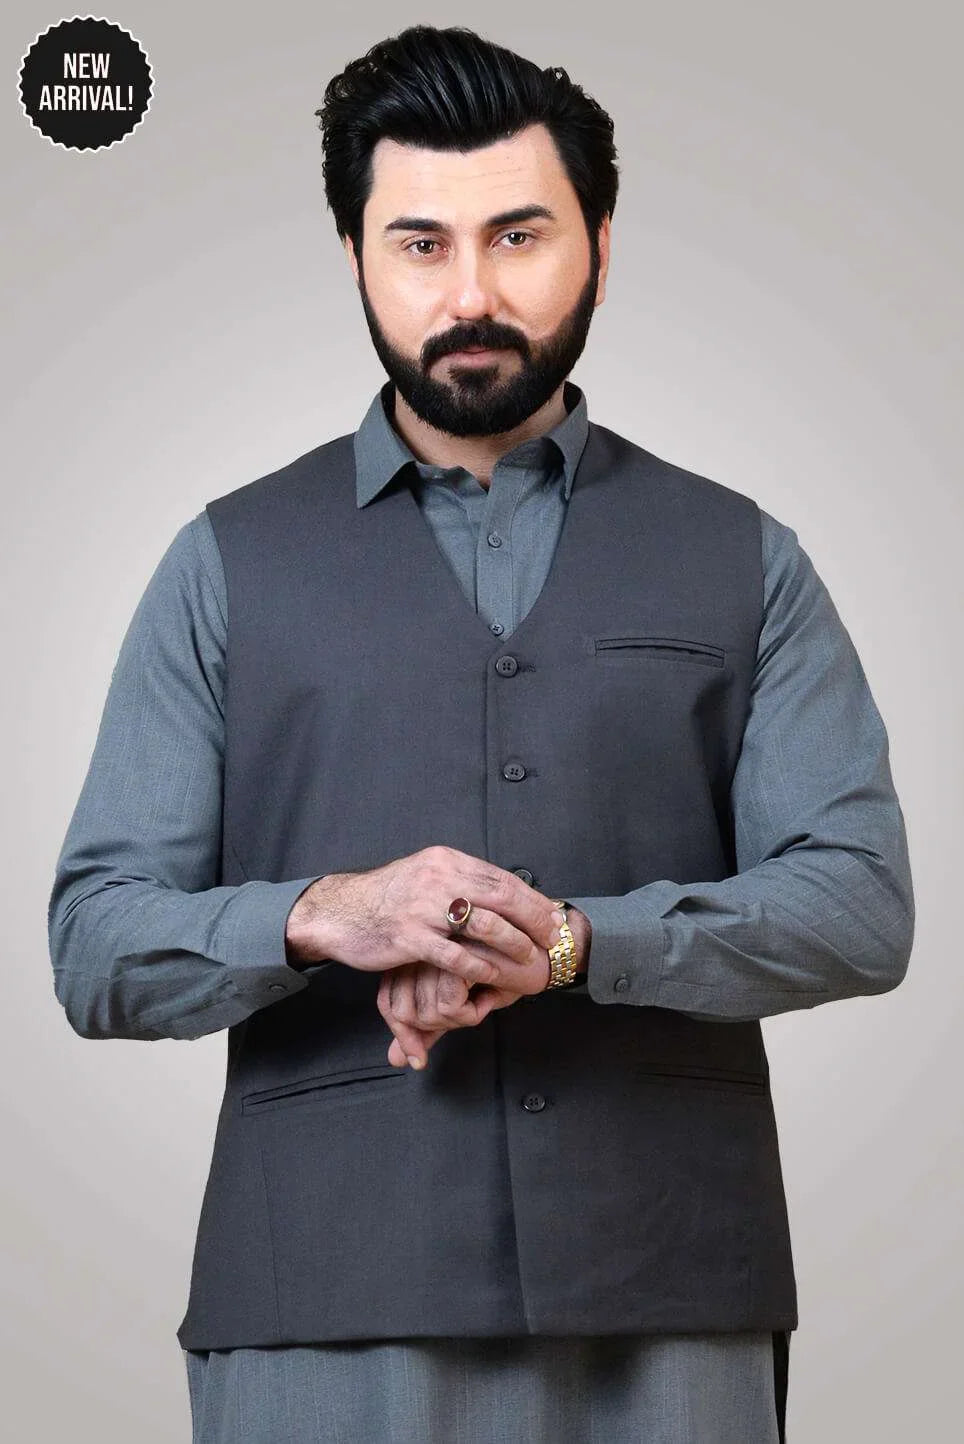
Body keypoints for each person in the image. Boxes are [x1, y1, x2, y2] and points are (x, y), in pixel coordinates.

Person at [47, 23, 915, 1444]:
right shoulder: (224, 564)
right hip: (321, 1295)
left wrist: (577, 944)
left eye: (519, 235)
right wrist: (324, 915)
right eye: (420, 243)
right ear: (354, 257)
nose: (471, 294)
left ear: (600, 246)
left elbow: (861, 905)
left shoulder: (745, 558)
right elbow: (96, 941)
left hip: (670, 1292)